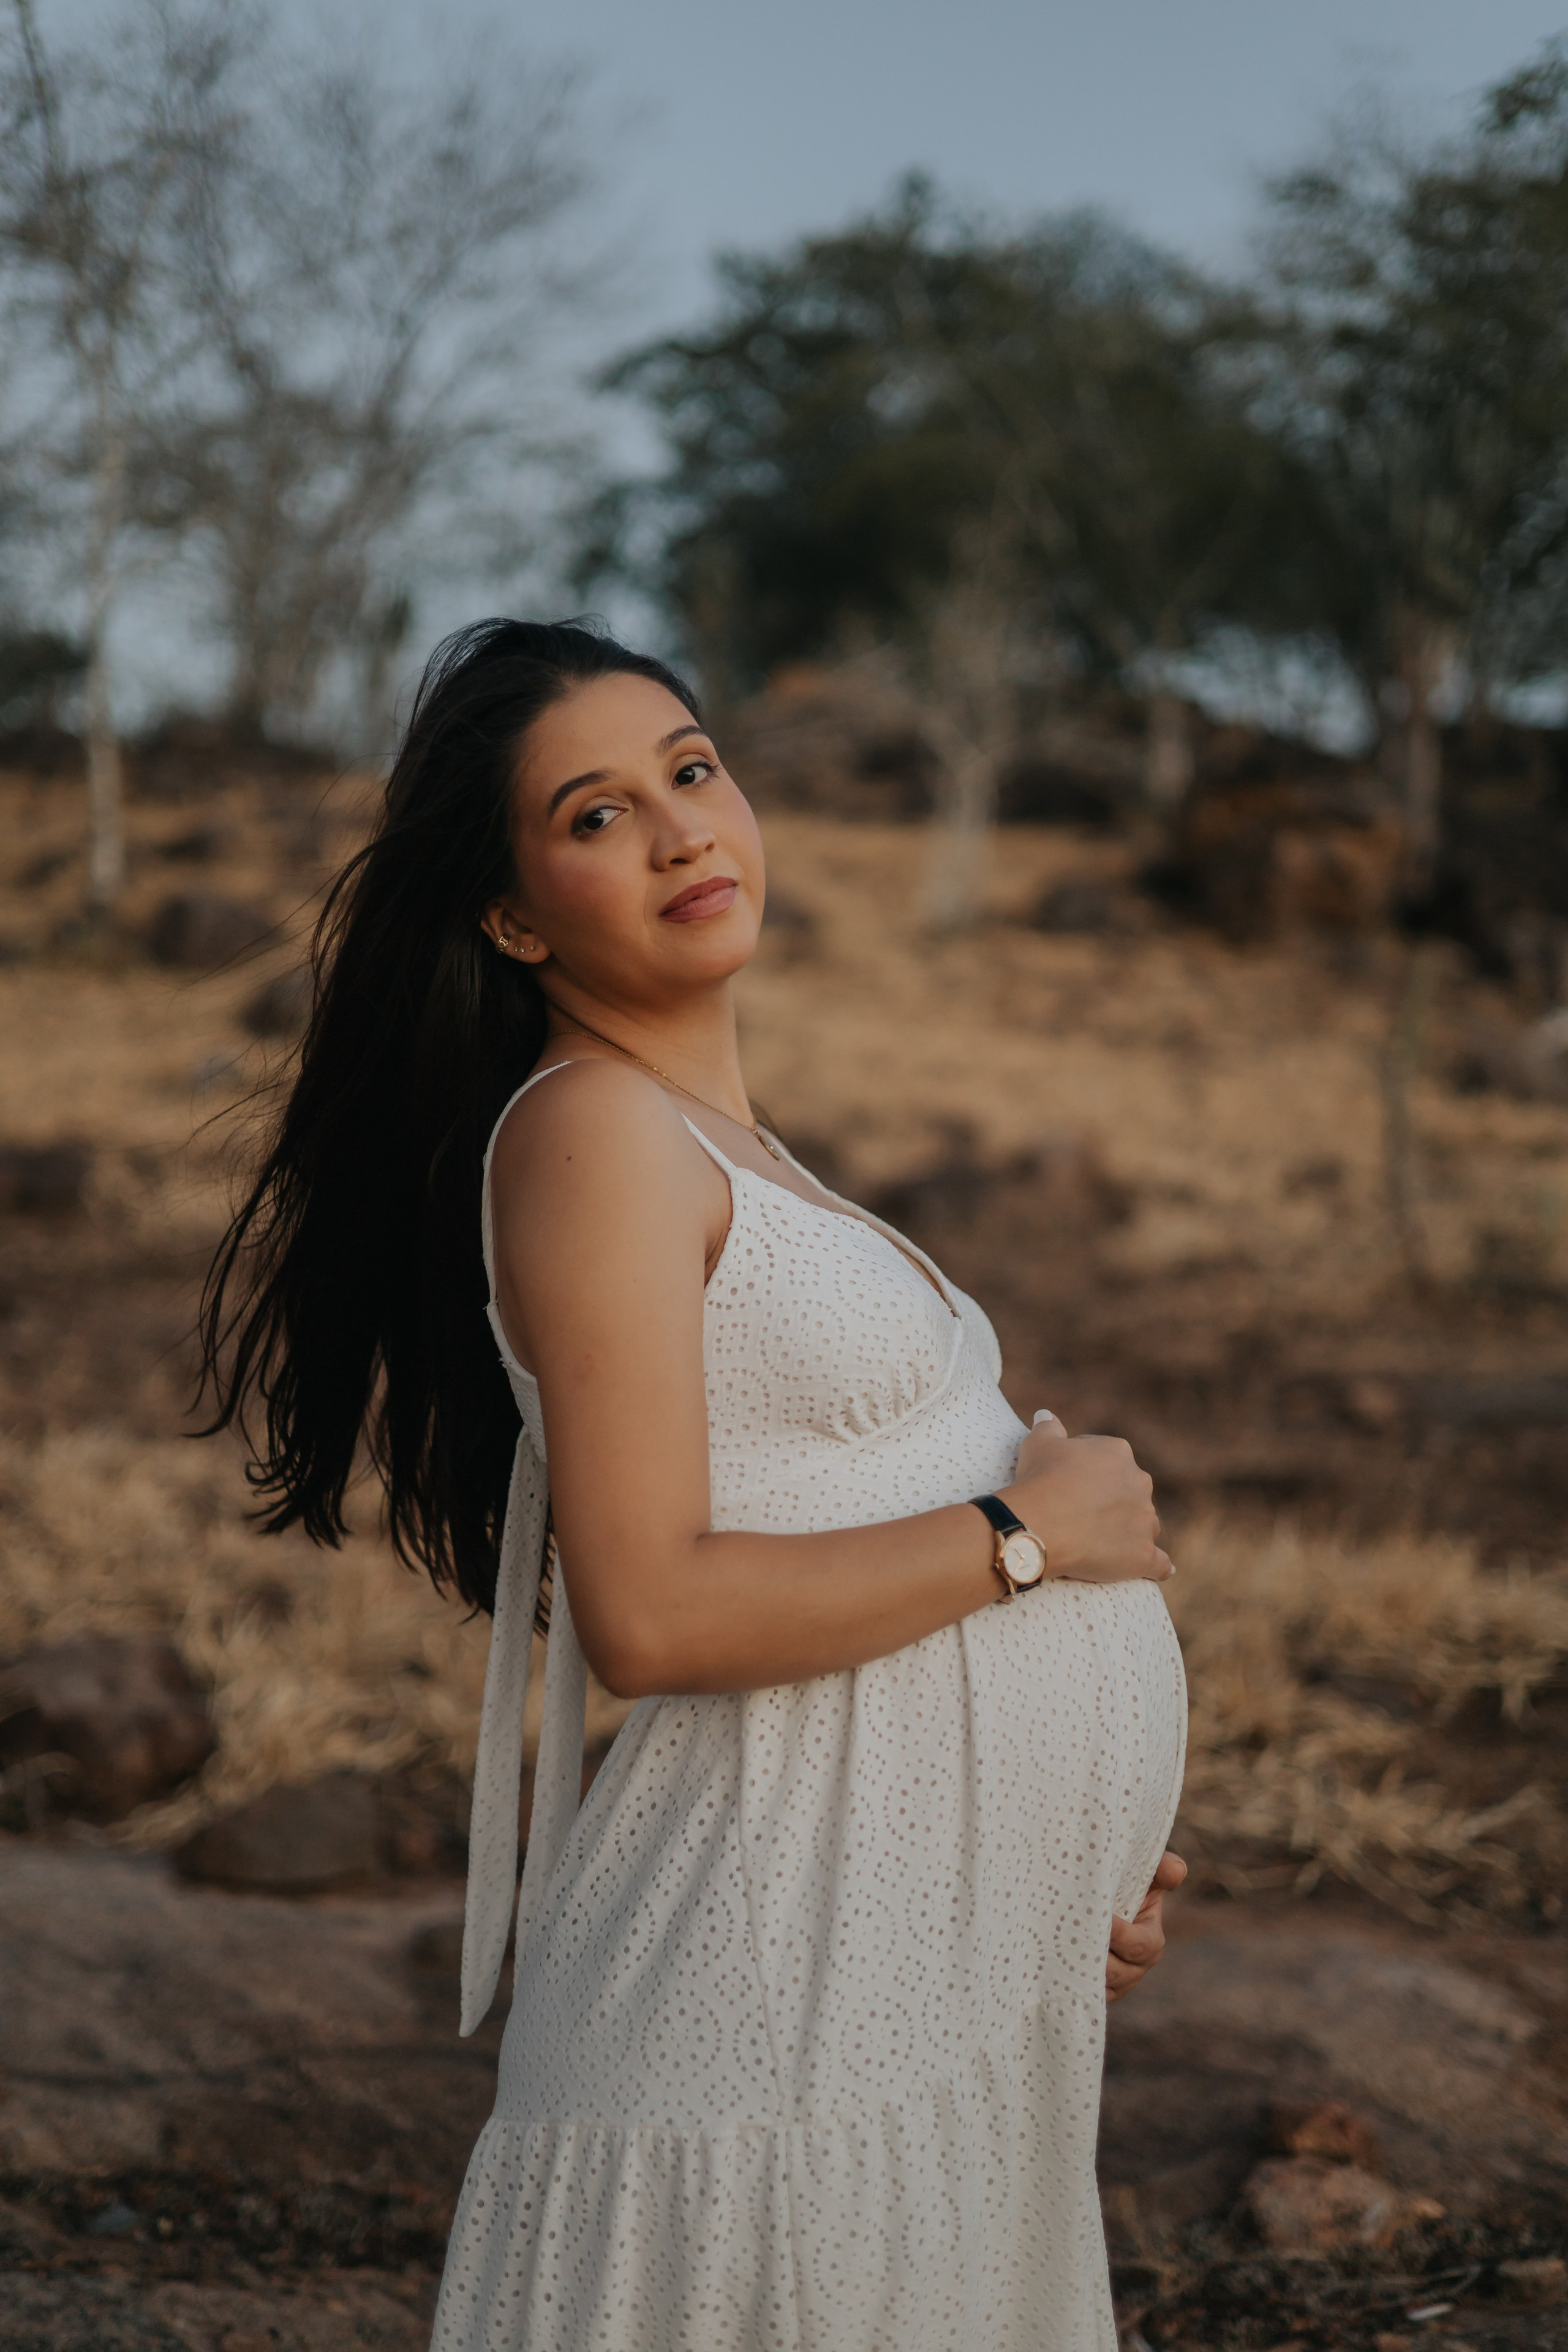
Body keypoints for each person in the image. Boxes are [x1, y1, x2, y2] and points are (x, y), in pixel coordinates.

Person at [201, 618, 1188, 2352]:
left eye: (692, 770)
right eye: (595, 815)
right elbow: (651, 1611)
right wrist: (1032, 1538)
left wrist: (1043, 1862)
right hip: (763, 2017)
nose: (677, 831)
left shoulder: (730, 1143)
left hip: (899, 2002)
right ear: (512, 917)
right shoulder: (589, 1135)